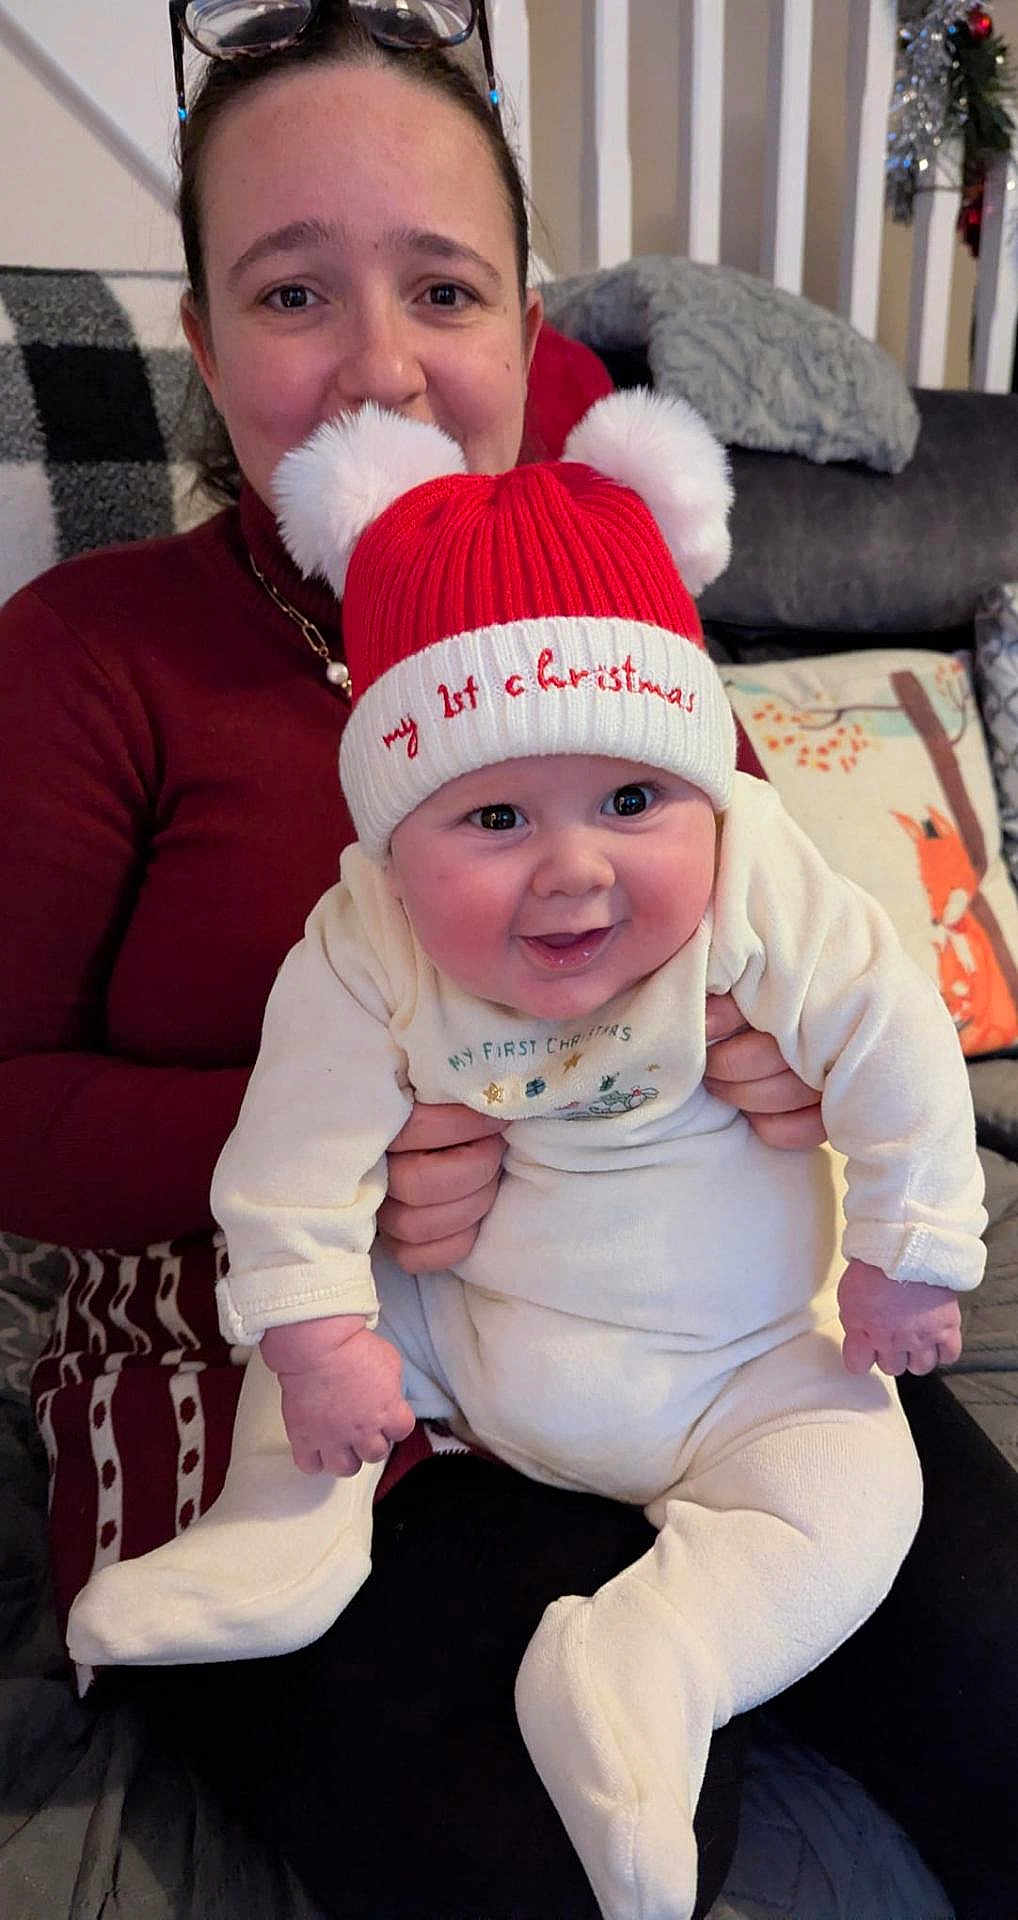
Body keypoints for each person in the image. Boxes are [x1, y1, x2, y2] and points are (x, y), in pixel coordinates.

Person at [0, 6, 1012, 1918]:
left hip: (705, 1303)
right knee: (566, 1853)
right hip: (297, 1351)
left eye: (442, 288)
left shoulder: (620, 619)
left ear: (527, 333)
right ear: (208, 348)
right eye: (292, 290)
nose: (378, 357)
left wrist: (796, 1085)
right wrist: (360, 1146)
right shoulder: (89, 655)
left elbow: (807, 938)